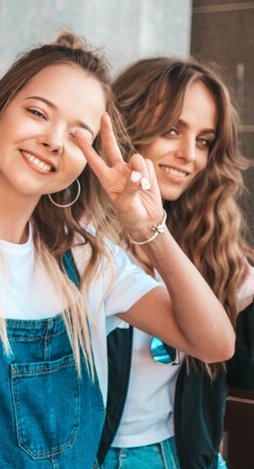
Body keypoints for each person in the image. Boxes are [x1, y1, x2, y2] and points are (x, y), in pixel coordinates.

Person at [0, 34, 235, 467]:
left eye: (79, 135)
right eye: (38, 112)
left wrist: (152, 228)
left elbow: (214, 343)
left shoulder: (86, 258)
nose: (54, 141)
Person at [97, 57, 254, 469]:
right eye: (172, 130)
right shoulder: (80, 239)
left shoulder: (215, 249)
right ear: (128, 126)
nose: (189, 156)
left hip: (184, 457)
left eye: (204, 141)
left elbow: (238, 370)